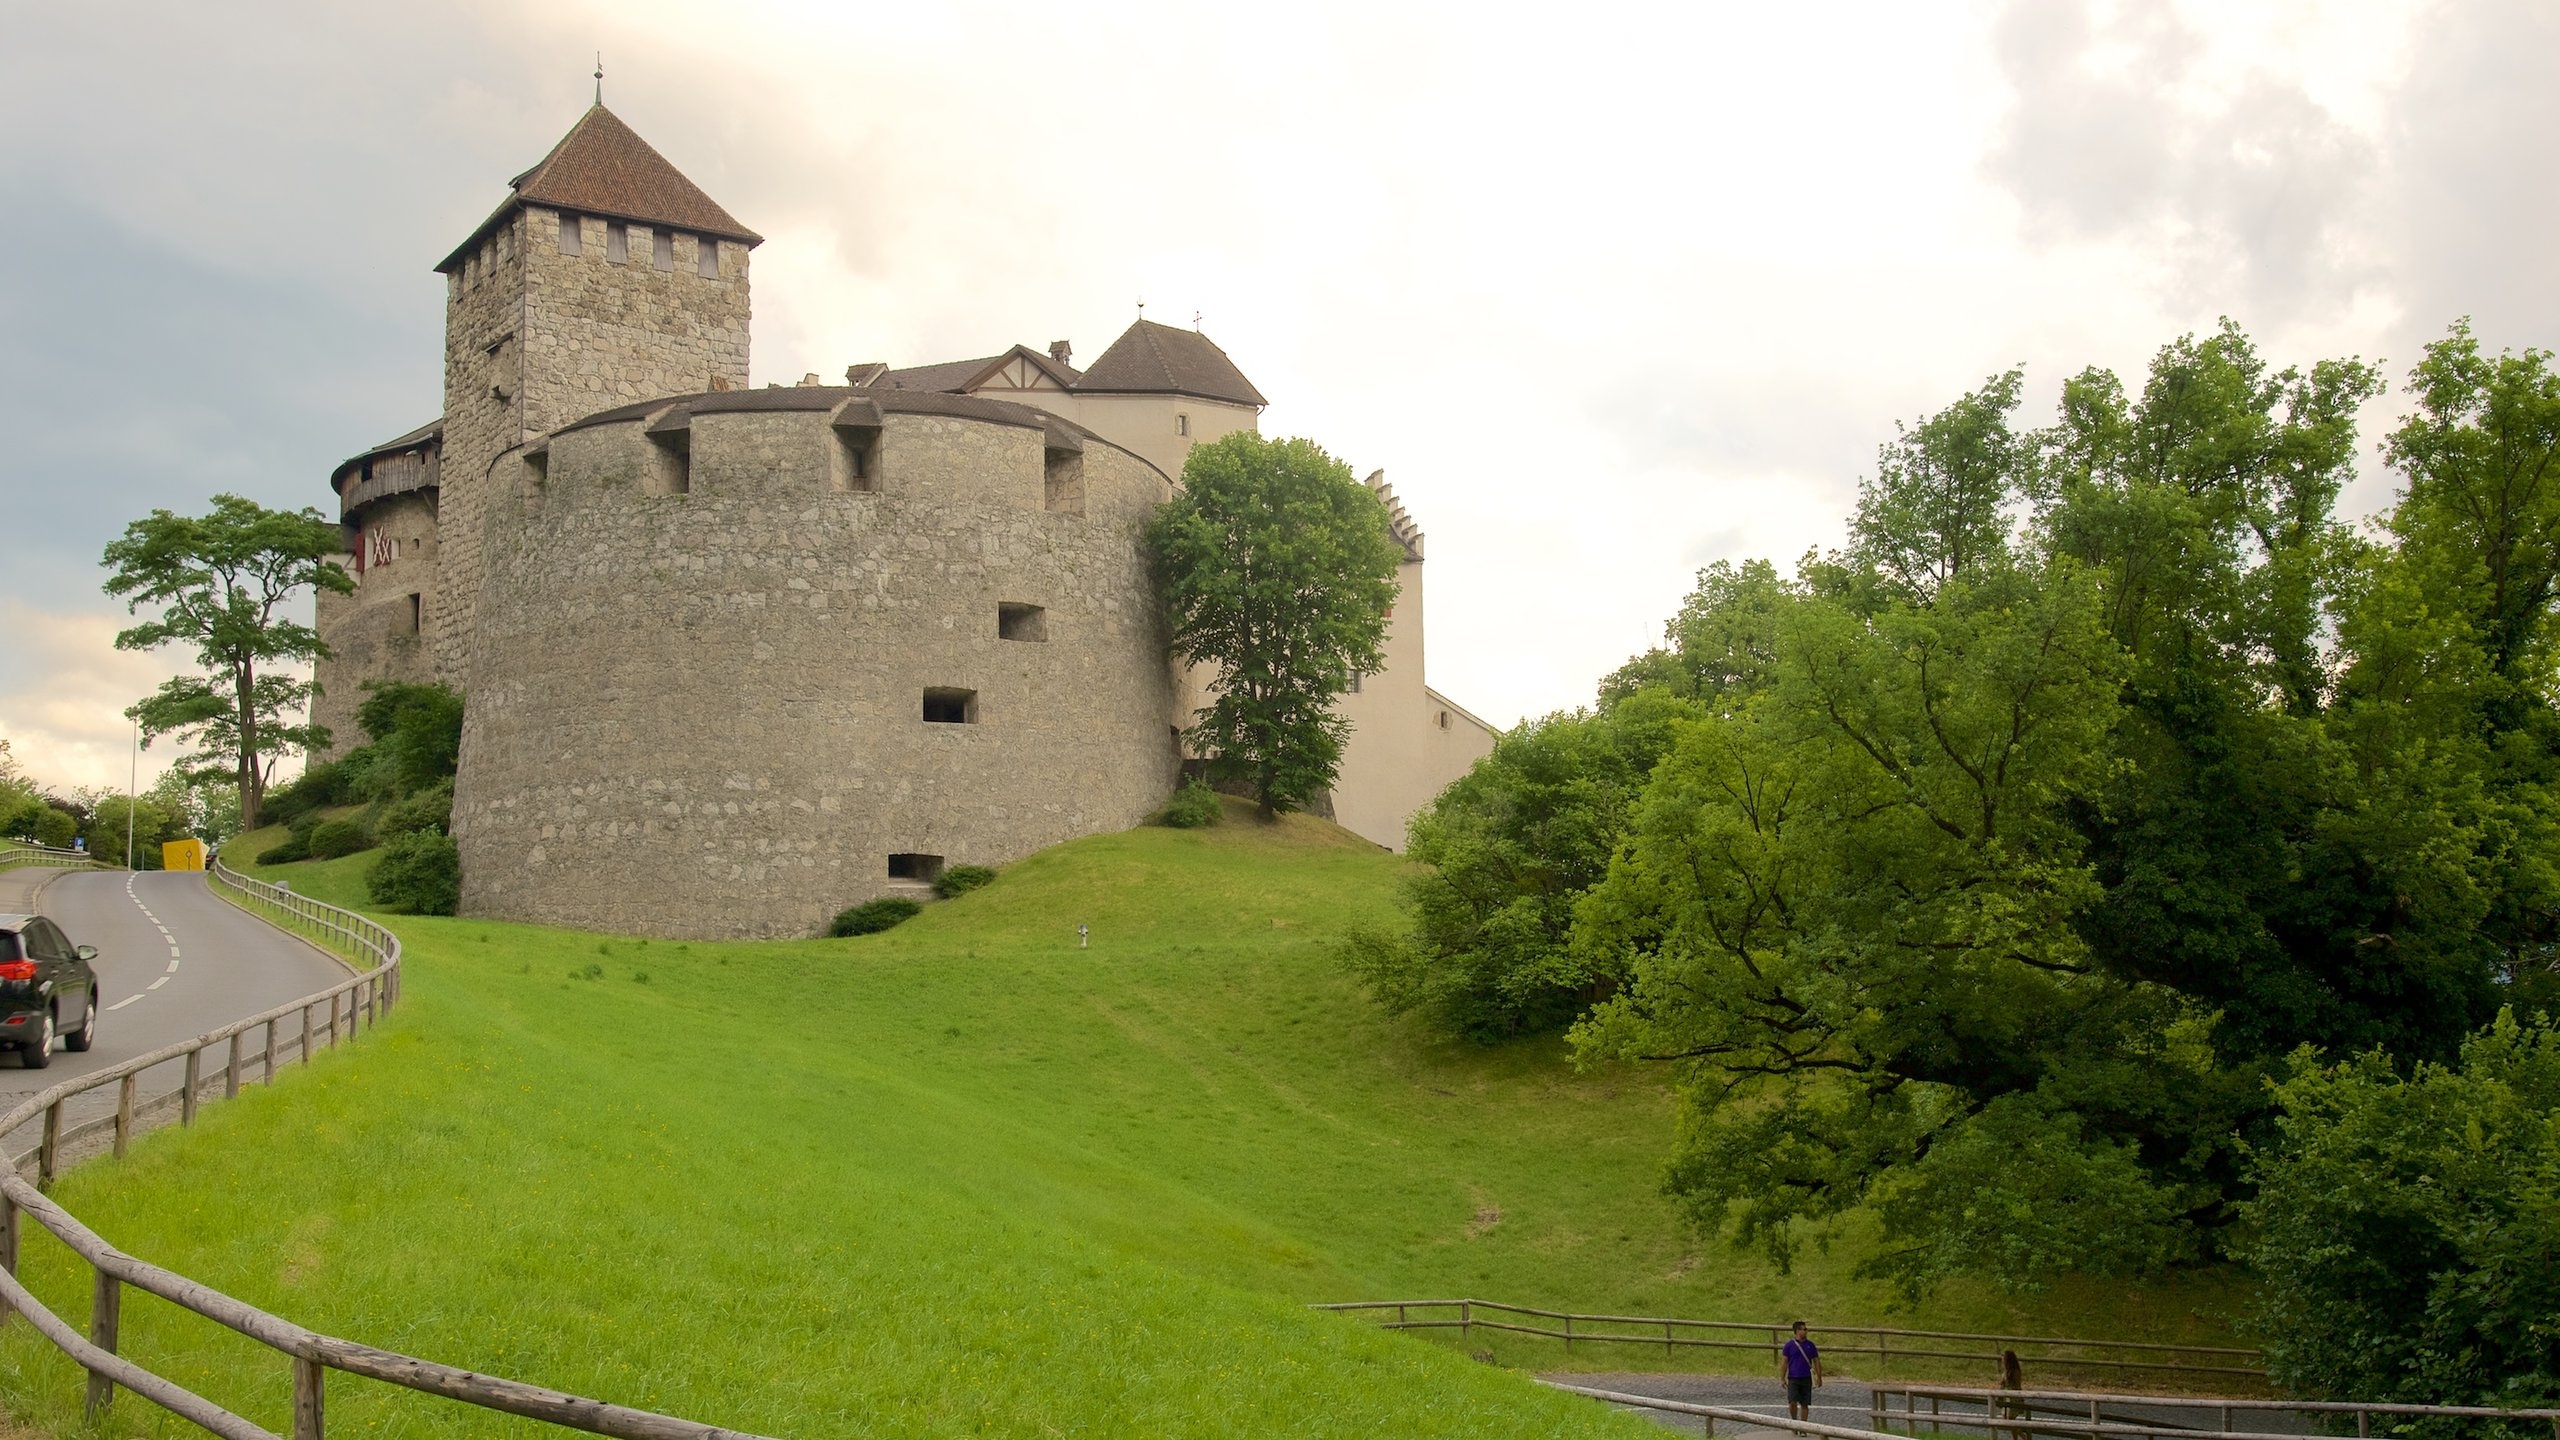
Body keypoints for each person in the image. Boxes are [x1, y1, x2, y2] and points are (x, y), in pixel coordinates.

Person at [1780, 1320, 1823, 1421]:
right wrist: (1782, 1378)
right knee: (1792, 1401)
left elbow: (1816, 1361)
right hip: (1793, 1378)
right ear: (1797, 1331)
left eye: (1806, 1329)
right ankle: (1794, 1421)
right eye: (1804, 1329)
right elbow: (1784, 1362)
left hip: (1806, 1377)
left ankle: (1803, 1425)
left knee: (1805, 1403)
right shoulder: (1789, 1345)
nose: (1806, 1331)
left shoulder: (1810, 1345)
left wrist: (1819, 1377)